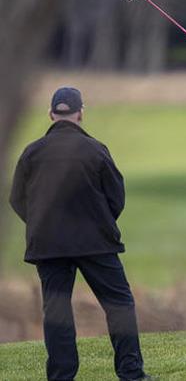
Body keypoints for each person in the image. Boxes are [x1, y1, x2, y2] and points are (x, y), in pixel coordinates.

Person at [9, 87, 148, 381]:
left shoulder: (31, 153)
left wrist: (40, 223)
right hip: (95, 242)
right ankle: (130, 372)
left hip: (48, 244)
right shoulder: (96, 150)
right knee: (118, 304)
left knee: (57, 312)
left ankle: (61, 376)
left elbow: (17, 199)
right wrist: (100, 221)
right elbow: (116, 197)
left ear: (51, 114)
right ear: (80, 113)